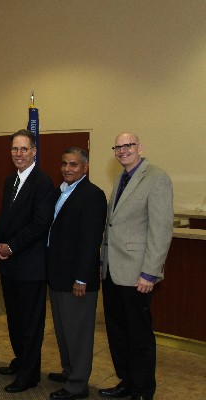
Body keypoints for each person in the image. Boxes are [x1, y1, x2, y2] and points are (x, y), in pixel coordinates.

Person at [99, 133, 173, 400]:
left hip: (137, 273)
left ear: (140, 147)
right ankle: (127, 382)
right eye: (117, 147)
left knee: (139, 336)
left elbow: (161, 230)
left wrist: (149, 272)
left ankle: (143, 389)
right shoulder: (121, 178)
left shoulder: (157, 178)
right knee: (118, 332)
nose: (122, 151)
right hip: (112, 270)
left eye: (128, 145)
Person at [0, 129, 54, 393]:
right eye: (15, 149)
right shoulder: (10, 181)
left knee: (30, 323)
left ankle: (29, 375)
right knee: (15, 319)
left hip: (30, 265)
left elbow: (41, 224)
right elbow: (5, 218)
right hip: (10, 265)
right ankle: (21, 360)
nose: (18, 154)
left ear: (34, 151)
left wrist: (12, 247)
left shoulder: (42, 182)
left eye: (24, 149)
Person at [46, 148, 107, 400]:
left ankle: (78, 385)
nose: (67, 168)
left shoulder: (92, 195)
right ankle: (69, 371)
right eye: (64, 164)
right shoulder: (61, 191)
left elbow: (89, 241)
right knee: (63, 330)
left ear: (85, 167)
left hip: (77, 280)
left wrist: (82, 278)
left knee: (78, 334)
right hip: (58, 275)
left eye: (73, 165)